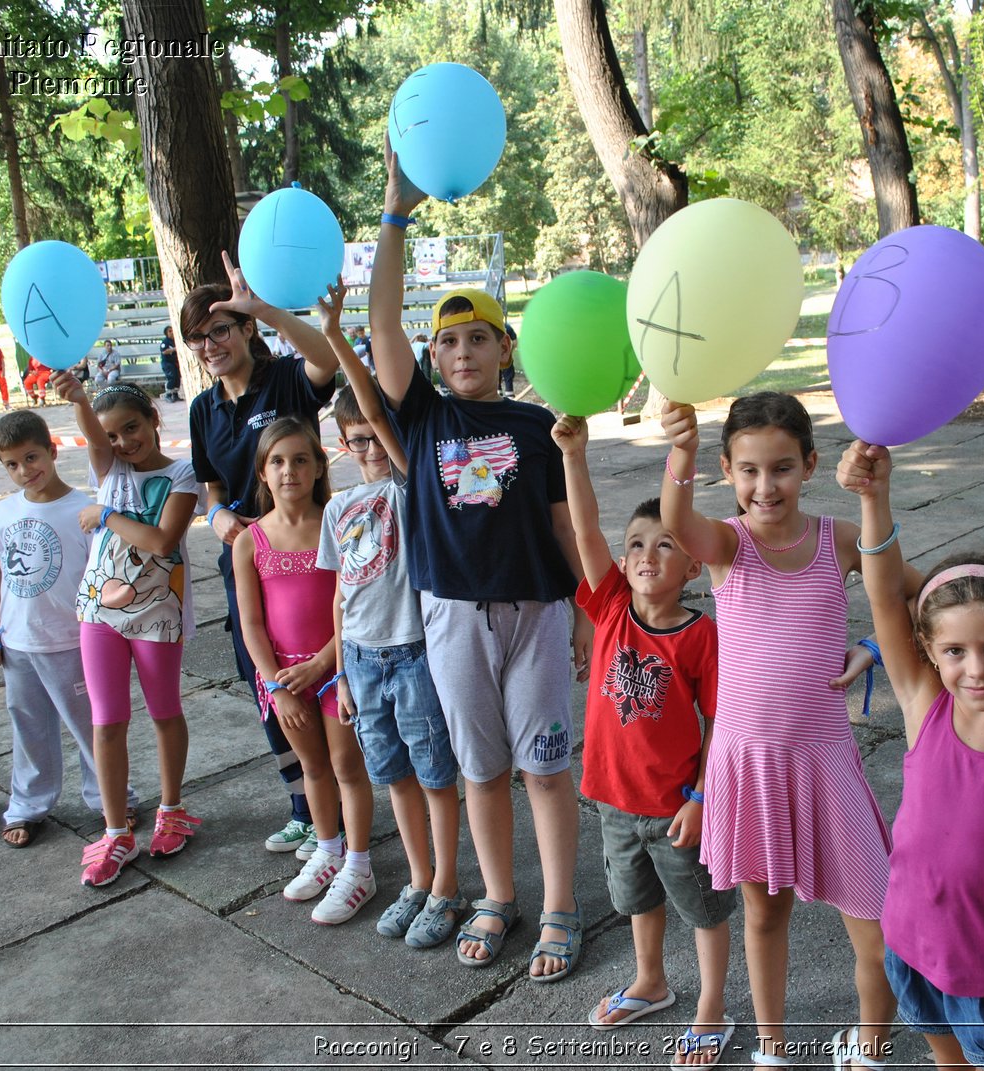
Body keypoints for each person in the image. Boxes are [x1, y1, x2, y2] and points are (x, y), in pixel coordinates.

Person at [371, 138, 590, 979]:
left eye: (480, 339)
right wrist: (396, 211)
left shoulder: (539, 427)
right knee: (481, 768)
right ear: (434, 358)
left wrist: (584, 613)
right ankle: (500, 896)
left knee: (545, 768)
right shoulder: (421, 418)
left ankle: (562, 905)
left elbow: (566, 526)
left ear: (507, 348)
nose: (464, 353)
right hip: (452, 616)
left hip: (536, 613)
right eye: (450, 342)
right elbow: (384, 321)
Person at [660, 391, 895, 1067]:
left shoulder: (838, 539)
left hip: (826, 762)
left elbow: (914, 591)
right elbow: (678, 521)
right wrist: (682, 450)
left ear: (811, 464)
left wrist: (874, 644)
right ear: (729, 472)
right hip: (750, 764)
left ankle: (871, 1047)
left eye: (783, 468)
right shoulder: (728, 544)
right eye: (750, 470)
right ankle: (772, 1048)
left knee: (877, 932)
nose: (767, 486)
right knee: (763, 915)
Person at [839, 440, 984, 1071]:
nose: (977, 668)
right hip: (908, 941)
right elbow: (885, 595)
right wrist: (874, 497)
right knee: (948, 1061)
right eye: (956, 652)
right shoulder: (924, 702)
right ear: (929, 651)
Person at [553, 414, 735, 1067]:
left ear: (692, 563)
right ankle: (650, 980)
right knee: (637, 899)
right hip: (612, 800)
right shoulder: (607, 606)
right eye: (635, 545)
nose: (645, 556)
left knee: (705, 908)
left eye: (664, 545)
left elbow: (721, 721)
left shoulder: (700, 635)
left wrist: (701, 796)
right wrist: (575, 455)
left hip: (676, 806)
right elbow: (584, 528)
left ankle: (712, 1006)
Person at [316, 288, 464, 947]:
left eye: (376, 436)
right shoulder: (336, 508)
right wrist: (342, 669)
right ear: (343, 446)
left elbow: (376, 403)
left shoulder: (412, 485)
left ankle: (448, 886)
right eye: (357, 441)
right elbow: (343, 591)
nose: (370, 447)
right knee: (395, 775)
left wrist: (339, 340)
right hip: (363, 662)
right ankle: (417, 876)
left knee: (434, 777)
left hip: (414, 654)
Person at [186, 250, 342, 861]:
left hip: (311, 560)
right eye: (198, 338)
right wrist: (219, 516)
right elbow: (212, 486)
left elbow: (327, 358)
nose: (210, 345)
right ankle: (303, 809)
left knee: (329, 695)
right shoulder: (203, 410)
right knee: (269, 685)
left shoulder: (283, 380)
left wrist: (263, 307)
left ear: (246, 330)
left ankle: (336, 812)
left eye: (220, 329)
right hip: (249, 567)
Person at [234, 415, 376, 922]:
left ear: (319, 467)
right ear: (263, 474)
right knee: (313, 768)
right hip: (286, 682)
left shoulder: (339, 522)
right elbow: (251, 624)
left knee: (346, 767)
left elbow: (354, 604)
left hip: (337, 671)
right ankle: (328, 849)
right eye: (277, 461)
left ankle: (359, 866)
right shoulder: (250, 541)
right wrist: (277, 684)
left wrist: (323, 663)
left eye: (300, 460)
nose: (289, 470)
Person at [62, 377, 201, 887]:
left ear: (153, 422)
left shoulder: (184, 476)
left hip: (159, 612)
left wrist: (106, 514)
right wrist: (79, 400)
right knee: (107, 722)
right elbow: (97, 440)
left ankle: (171, 809)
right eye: (112, 435)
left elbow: (162, 540)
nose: (123, 442)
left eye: (132, 428)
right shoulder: (109, 467)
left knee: (165, 713)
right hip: (98, 611)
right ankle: (116, 830)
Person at [0, 410, 139, 847]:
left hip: (71, 641)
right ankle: (28, 806)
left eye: (31, 458)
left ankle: (111, 799)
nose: (23, 471)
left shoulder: (82, 509)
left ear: (52, 452)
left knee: (92, 726)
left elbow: (106, 576)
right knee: (28, 727)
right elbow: (0, 572)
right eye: (11, 465)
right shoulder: (6, 509)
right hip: (17, 644)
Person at [159, 326, 181, 403]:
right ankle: (168, 395)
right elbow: (164, 351)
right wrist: (175, 349)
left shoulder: (175, 341)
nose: (172, 332)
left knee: (177, 378)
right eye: (169, 331)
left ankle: (175, 395)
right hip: (167, 363)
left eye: (172, 330)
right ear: (166, 333)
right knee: (171, 378)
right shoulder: (165, 342)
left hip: (175, 363)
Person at [499, 321, 518, 398]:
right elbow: (515, 342)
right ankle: (510, 395)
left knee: (496, 376)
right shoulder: (507, 327)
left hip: (494, 356)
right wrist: (510, 352)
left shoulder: (491, 325)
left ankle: (497, 393)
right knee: (508, 375)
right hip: (506, 356)